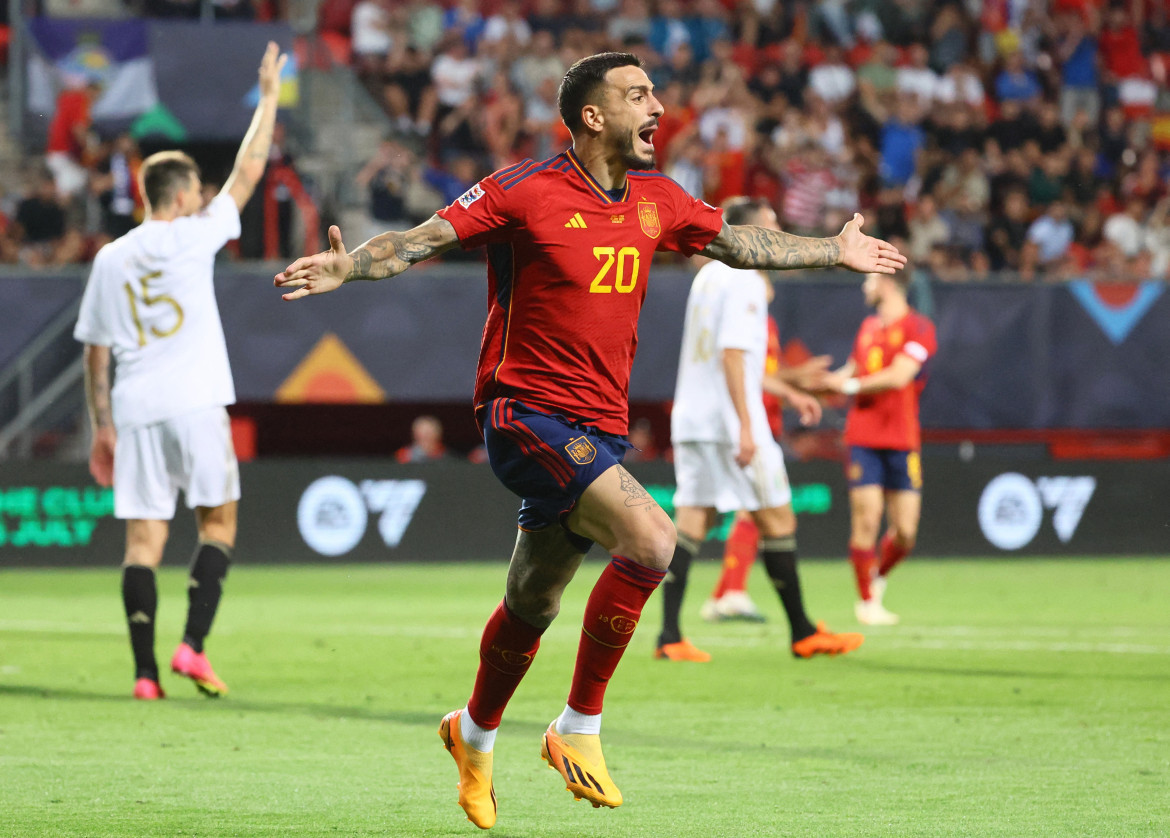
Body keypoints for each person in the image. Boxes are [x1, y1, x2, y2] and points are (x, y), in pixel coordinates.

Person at [274, 51, 904, 829]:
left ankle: (471, 732)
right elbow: (421, 238)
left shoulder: (657, 199)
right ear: (593, 116)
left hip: (596, 429)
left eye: (656, 92)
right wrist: (353, 266)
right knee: (652, 537)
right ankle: (577, 727)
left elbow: (742, 244)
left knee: (532, 599)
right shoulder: (525, 190)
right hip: (524, 413)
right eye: (639, 94)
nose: (659, 107)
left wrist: (832, 252)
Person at [73, 43, 287, 701]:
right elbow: (249, 173)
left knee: (143, 542)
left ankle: (143, 676)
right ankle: (191, 647)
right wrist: (269, 97)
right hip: (195, 401)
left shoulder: (111, 257)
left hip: (135, 408)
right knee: (217, 525)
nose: (204, 199)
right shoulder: (196, 234)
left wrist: (101, 429)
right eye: (199, 191)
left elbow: (96, 353)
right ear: (186, 194)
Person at [657, 196, 864, 663]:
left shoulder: (707, 275)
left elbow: (731, 358)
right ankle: (803, 631)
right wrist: (748, 427)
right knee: (778, 517)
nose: (778, 233)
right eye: (771, 225)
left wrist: (787, 392)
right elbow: (733, 354)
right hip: (731, 421)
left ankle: (668, 635)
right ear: (750, 232)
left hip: (693, 418)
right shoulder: (746, 276)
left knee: (693, 519)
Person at [700, 302, 832, 624]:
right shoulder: (747, 313)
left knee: (749, 513)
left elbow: (763, 372)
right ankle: (732, 595)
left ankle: (723, 595)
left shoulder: (762, 317)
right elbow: (752, 372)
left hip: (762, 420)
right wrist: (799, 376)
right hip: (749, 423)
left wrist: (801, 384)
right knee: (761, 513)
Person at [822, 272, 937, 626]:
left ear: (888, 282)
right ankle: (867, 602)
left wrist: (851, 385)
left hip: (902, 440)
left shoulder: (920, 328)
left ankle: (878, 577)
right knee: (867, 519)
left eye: (869, 280)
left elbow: (900, 376)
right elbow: (853, 370)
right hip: (863, 438)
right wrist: (826, 384)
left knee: (905, 532)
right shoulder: (868, 327)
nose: (864, 286)